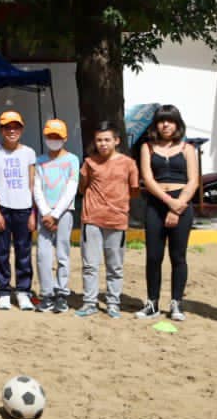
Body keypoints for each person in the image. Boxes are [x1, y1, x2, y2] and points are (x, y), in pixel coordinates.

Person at [137, 104, 199, 321]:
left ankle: (176, 303)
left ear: (177, 124)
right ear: (156, 124)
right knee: (154, 256)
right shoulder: (147, 147)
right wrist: (168, 202)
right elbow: (147, 178)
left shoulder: (187, 149)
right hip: (156, 204)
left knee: (178, 256)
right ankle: (152, 303)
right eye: (162, 121)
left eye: (170, 120)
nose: (166, 125)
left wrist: (179, 204)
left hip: (182, 204)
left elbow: (193, 180)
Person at [77, 121, 138, 318]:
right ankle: (89, 302)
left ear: (116, 141)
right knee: (90, 265)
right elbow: (82, 186)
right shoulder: (89, 162)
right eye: (99, 140)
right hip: (92, 219)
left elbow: (134, 190)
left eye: (107, 140)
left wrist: (119, 204)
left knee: (115, 266)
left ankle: (113, 303)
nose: (103, 144)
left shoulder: (128, 164)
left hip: (117, 220)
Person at [0, 110, 38, 311]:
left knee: (24, 251)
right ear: (1, 130)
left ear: (22, 129)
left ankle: (24, 291)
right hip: (2, 207)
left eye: (15, 127)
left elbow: (32, 184)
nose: (11, 131)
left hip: (24, 208)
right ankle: (3, 292)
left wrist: (33, 212)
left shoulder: (29, 153)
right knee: (1, 252)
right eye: (7, 127)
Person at [33, 119, 80, 313]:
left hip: (64, 212)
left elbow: (71, 187)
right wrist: (46, 213)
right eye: (50, 136)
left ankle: (61, 292)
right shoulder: (40, 161)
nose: (53, 140)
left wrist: (56, 213)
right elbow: (36, 187)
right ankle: (47, 293)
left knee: (62, 252)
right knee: (43, 254)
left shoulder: (72, 160)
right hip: (45, 213)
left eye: (57, 136)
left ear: (65, 138)